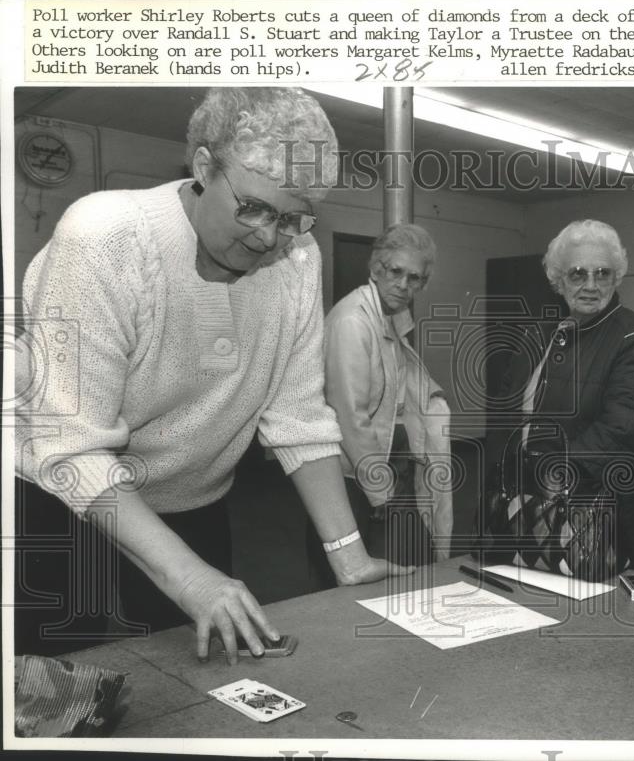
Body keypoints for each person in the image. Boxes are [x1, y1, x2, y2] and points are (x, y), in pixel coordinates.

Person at [13, 87, 411, 665]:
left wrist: (348, 552)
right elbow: (69, 446)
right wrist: (190, 580)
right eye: (253, 208)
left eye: (293, 218)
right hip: (56, 500)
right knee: (58, 688)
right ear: (203, 168)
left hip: (190, 502)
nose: (268, 237)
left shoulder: (297, 261)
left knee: (199, 680)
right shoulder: (105, 238)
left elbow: (298, 419)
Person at [488, 219, 634, 570]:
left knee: (590, 612)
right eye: (578, 274)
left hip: (592, 514)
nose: (591, 285)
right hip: (525, 502)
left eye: (603, 274)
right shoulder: (539, 334)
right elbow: (505, 412)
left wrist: (550, 470)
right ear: (558, 280)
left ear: (617, 278)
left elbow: (623, 431)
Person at [315, 224, 452, 585]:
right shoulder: (353, 322)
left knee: (410, 563)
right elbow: (350, 416)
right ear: (376, 269)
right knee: (361, 581)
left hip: (383, 464)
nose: (404, 285)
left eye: (415, 278)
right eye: (395, 272)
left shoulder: (389, 319)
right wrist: (382, 492)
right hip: (353, 474)